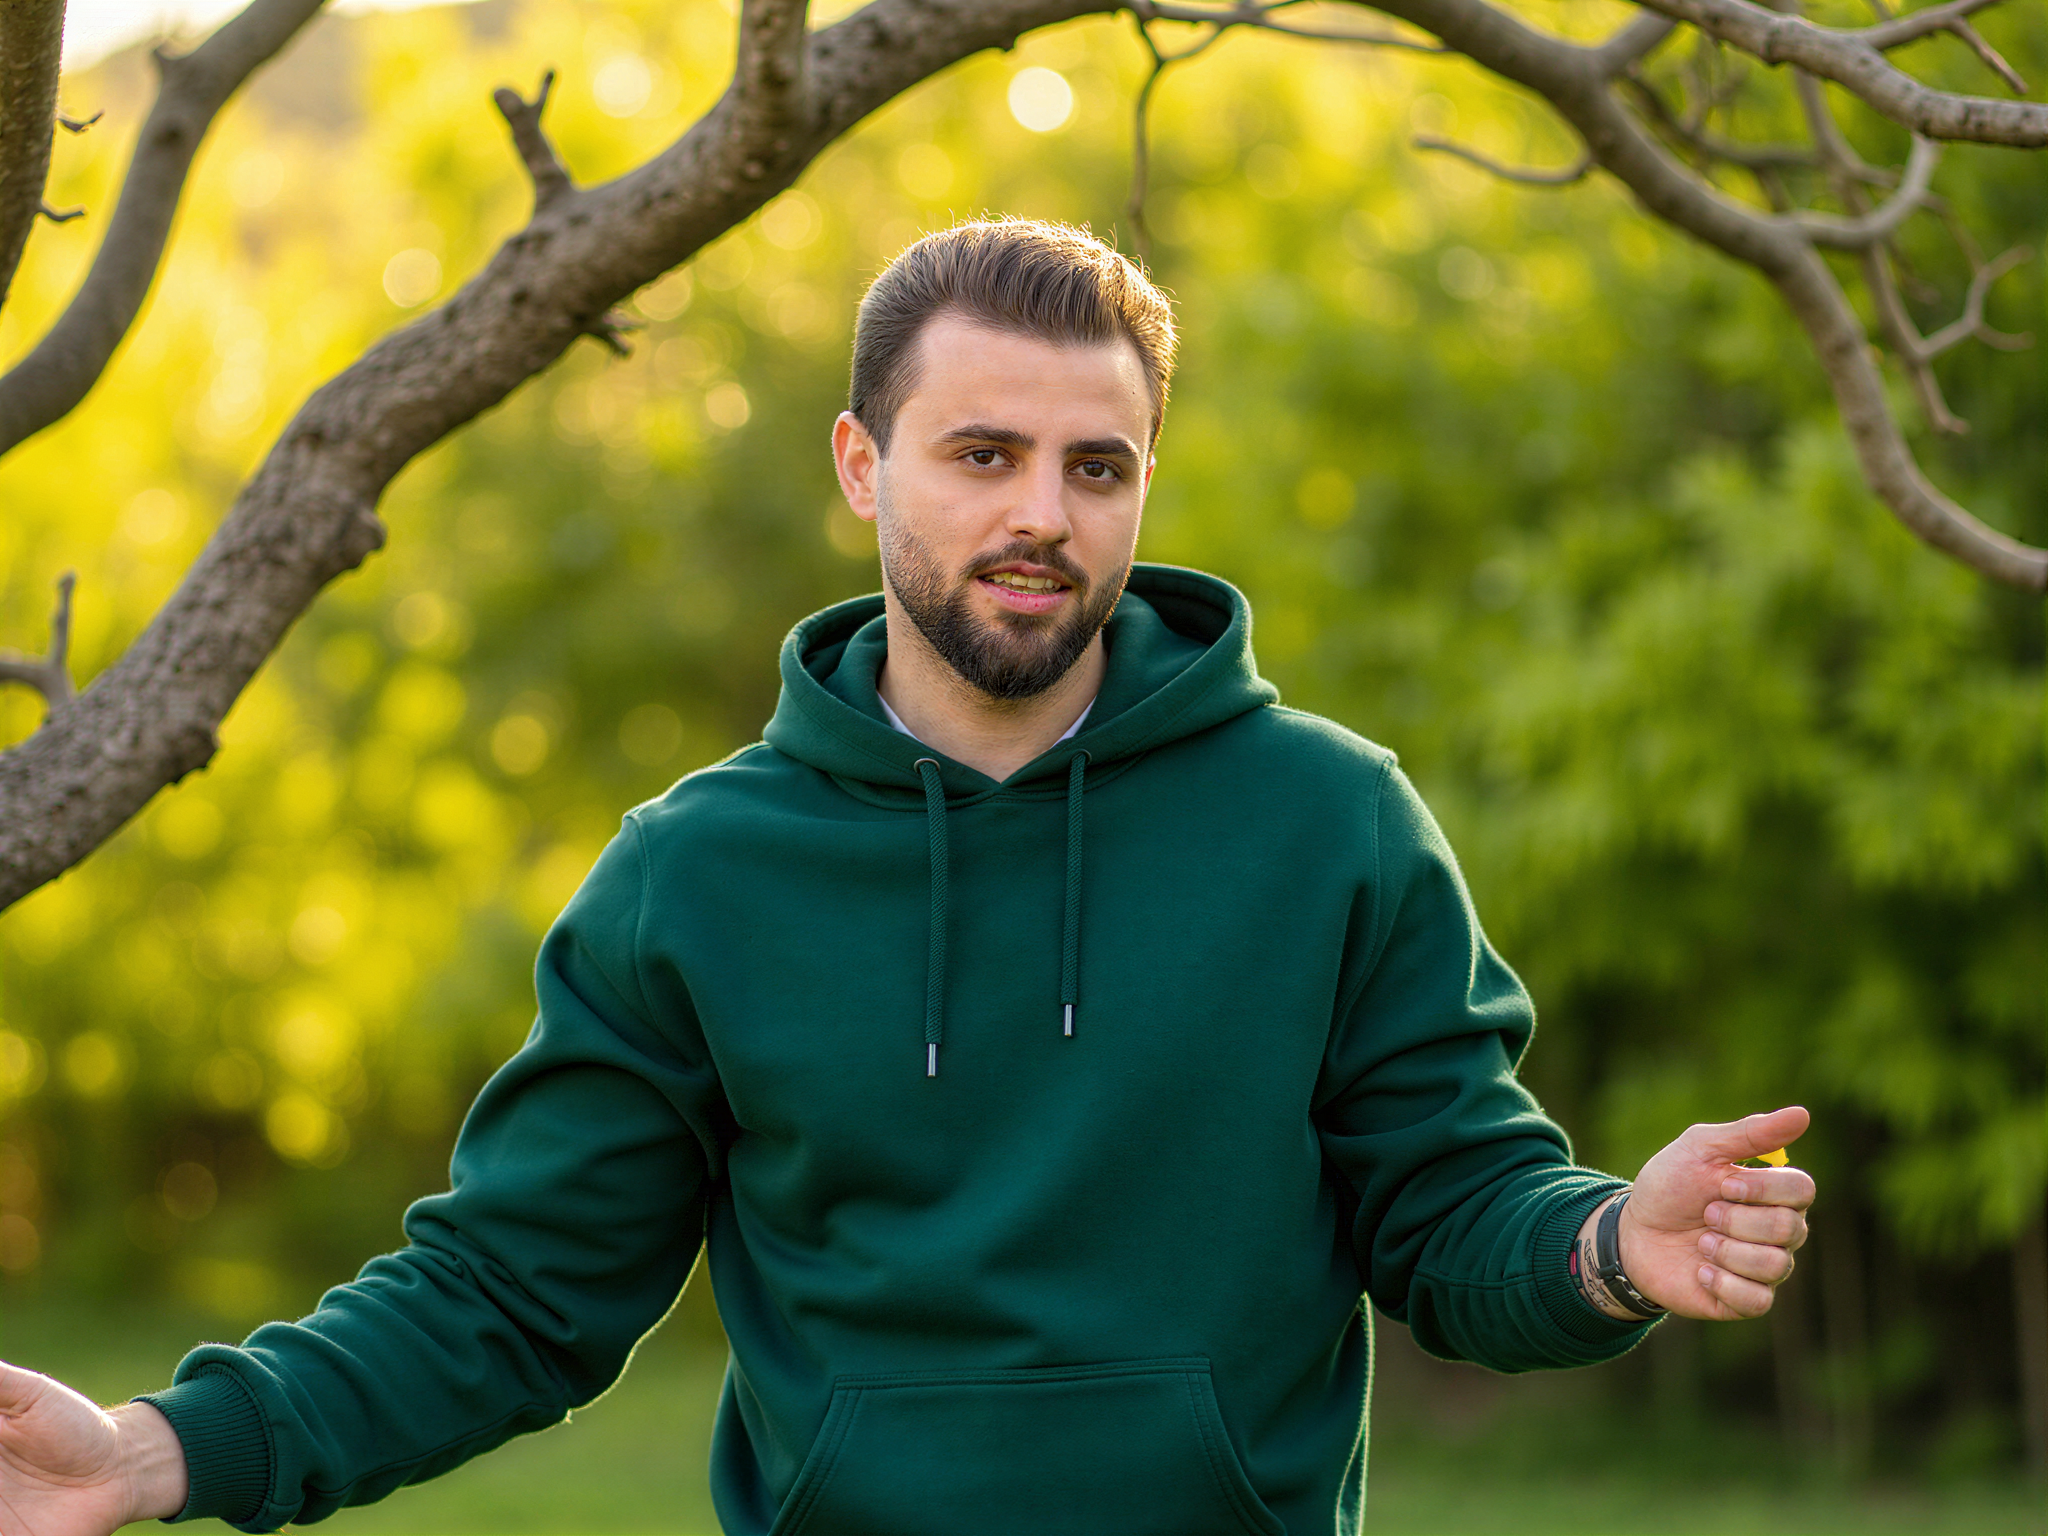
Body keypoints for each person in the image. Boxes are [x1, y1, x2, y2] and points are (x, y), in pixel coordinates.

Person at [0, 219, 1814, 1536]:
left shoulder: (1327, 824)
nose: (1044, 512)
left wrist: (1606, 1246)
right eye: (984, 456)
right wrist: (162, 1452)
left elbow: (1450, 1213)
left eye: (1096, 466)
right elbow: (509, 1295)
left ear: (1146, 484)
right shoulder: (699, 877)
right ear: (865, 466)